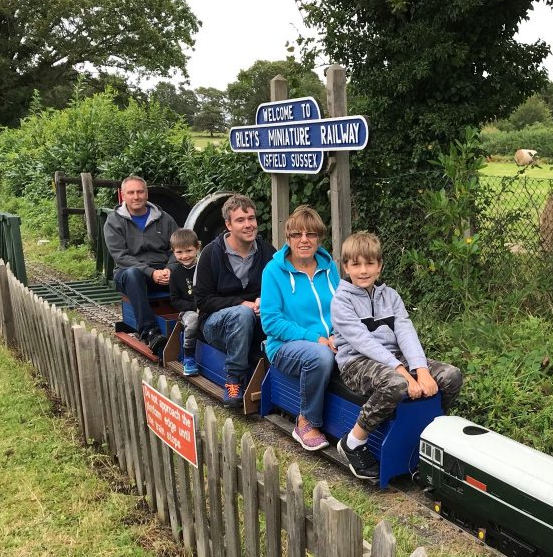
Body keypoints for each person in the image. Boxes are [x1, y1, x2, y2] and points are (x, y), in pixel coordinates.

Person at [331, 232, 463, 480]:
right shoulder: (341, 300)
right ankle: (353, 442)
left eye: (369, 263)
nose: (363, 270)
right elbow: (363, 342)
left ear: (379, 266)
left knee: (450, 376)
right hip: (356, 363)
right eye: (356, 264)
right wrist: (403, 373)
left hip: (394, 358)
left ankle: (430, 432)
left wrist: (421, 370)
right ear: (346, 266)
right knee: (396, 384)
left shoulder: (390, 296)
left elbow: (405, 333)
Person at [260, 206, 340, 451]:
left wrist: (338, 334)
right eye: (297, 234)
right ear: (288, 238)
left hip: (330, 341)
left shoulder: (330, 267)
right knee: (320, 356)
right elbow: (271, 321)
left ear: (319, 238)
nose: (304, 240)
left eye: (311, 234)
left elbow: (342, 307)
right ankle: (306, 420)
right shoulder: (274, 271)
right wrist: (314, 338)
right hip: (286, 346)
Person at [194, 194, 275, 406]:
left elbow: (280, 290)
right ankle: (234, 380)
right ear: (228, 224)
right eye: (241, 220)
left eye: (251, 218)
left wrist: (262, 301)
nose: (248, 225)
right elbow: (202, 300)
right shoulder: (211, 254)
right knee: (242, 314)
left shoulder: (267, 252)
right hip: (215, 325)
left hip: (257, 319)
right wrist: (241, 304)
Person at [103, 175, 178, 354]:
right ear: (123, 196)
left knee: (190, 268)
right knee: (132, 274)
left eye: (140, 192)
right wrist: (151, 272)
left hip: (163, 271)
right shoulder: (114, 221)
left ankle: (196, 323)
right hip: (130, 275)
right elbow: (121, 257)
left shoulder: (165, 219)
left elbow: (179, 247)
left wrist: (170, 268)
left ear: (146, 194)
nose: (136, 197)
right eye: (131, 193)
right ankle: (150, 332)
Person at [168, 228, 202, 377]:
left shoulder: (204, 267)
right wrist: (194, 308)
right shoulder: (175, 273)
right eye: (179, 252)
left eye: (189, 251)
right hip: (188, 311)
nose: (185, 256)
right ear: (173, 252)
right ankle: (188, 356)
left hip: (207, 305)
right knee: (193, 320)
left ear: (197, 247)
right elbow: (175, 300)